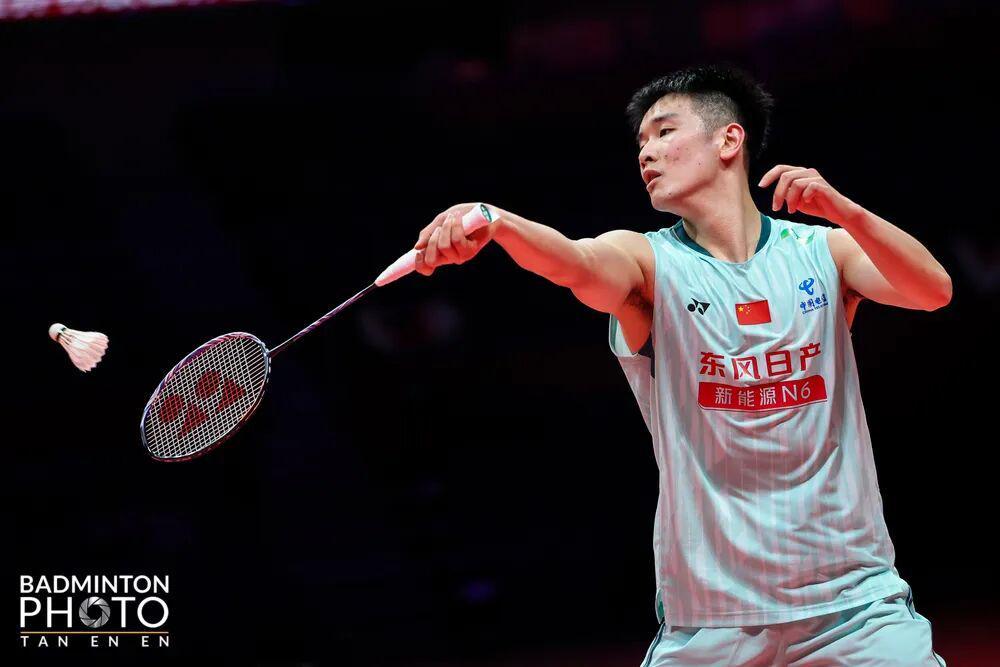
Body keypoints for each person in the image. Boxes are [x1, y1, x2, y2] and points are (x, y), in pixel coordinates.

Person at [410, 64, 949, 666]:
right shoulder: (647, 263)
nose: (646, 153)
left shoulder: (825, 251)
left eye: (664, 132)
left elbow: (932, 291)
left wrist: (845, 211)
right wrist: (498, 222)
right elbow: (576, 263)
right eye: (640, 142)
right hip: (714, 622)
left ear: (728, 140)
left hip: (854, 606)